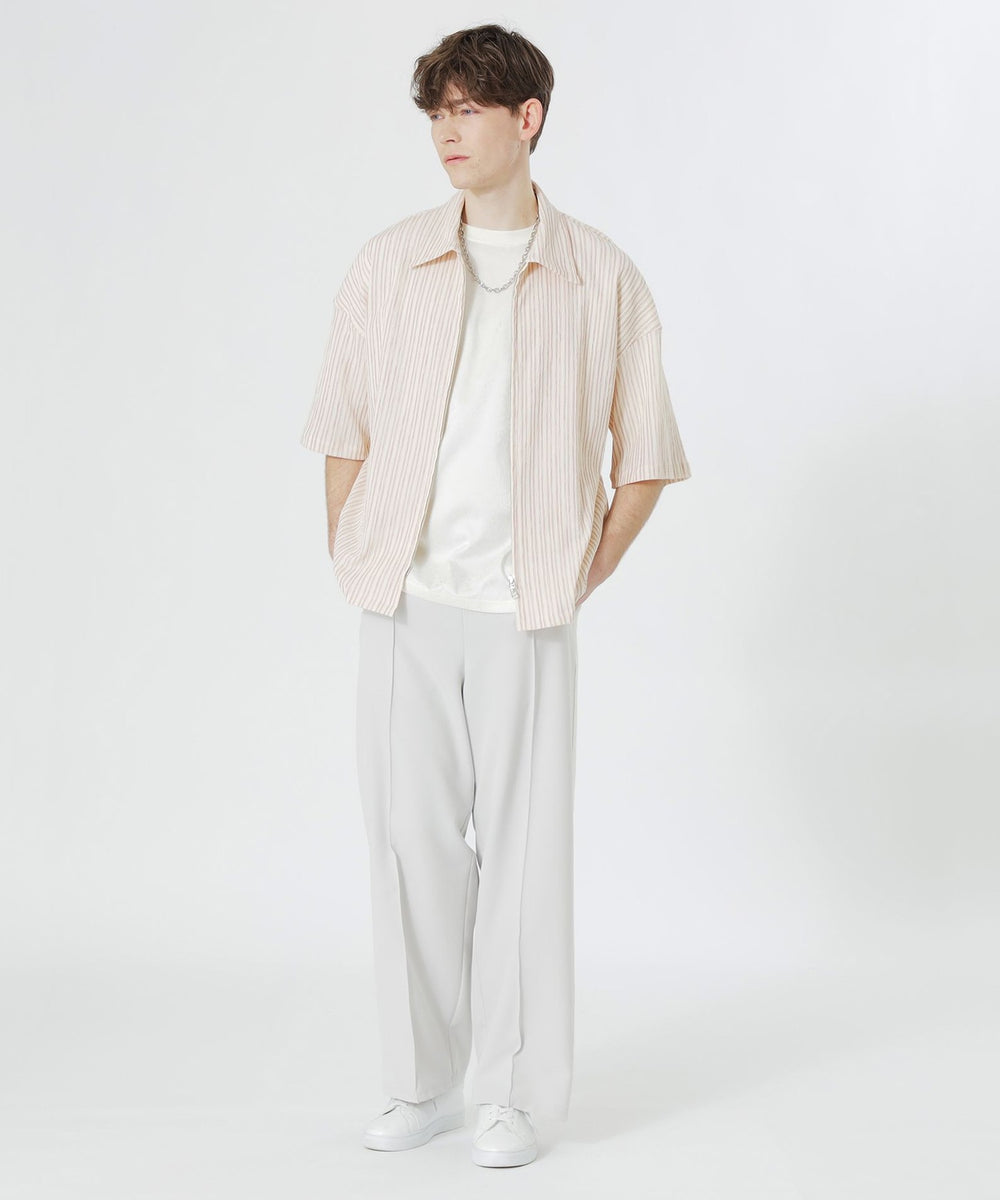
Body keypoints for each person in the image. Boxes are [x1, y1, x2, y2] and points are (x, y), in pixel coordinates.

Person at [300, 22, 691, 1170]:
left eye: (468, 110)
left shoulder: (601, 276)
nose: (446, 132)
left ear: (528, 120)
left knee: (523, 857)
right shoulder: (387, 264)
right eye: (437, 112)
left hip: (524, 612)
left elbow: (645, 457)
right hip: (405, 603)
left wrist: (575, 571)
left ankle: (509, 1094)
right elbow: (340, 427)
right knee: (409, 848)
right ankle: (421, 1082)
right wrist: (356, 550)